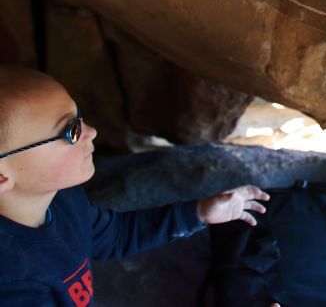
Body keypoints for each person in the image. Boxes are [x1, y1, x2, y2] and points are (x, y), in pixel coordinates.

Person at [0, 65, 273, 306]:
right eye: (70, 131)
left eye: (78, 116)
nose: (91, 131)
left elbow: (115, 235)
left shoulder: (62, 199)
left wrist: (200, 212)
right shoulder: (14, 282)